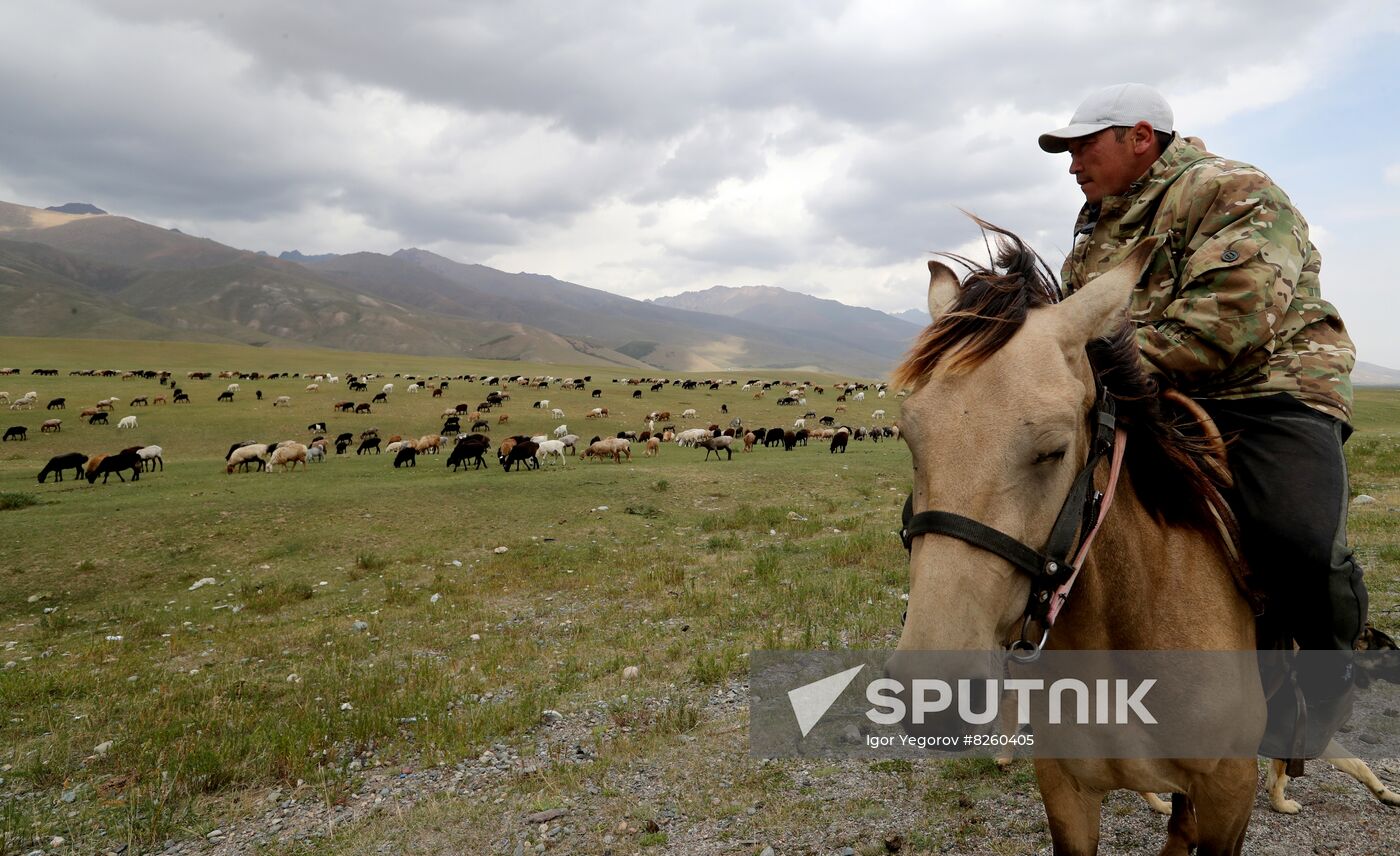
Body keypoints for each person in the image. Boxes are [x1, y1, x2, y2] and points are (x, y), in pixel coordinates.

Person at [1038, 83, 1368, 757]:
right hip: (1145, 391)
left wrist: (1091, 366)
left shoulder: (1231, 189)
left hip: (1268, 387)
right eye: (1067, 151)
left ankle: (1327, 680)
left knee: (1298, 538)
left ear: (1140, 136)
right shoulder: (1097, 218)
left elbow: (1230, 321)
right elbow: (1074, 314)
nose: (1073, 164)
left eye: (1084, 146)